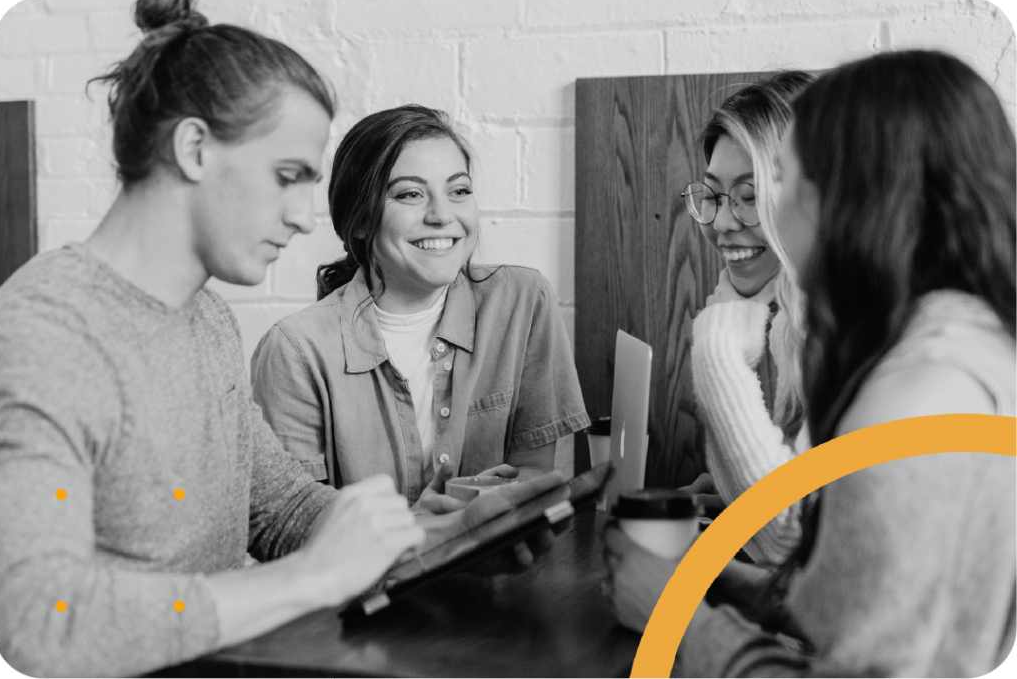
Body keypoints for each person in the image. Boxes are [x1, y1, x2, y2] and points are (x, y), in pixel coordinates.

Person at [0, 0, 564, 678]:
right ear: (195, 148)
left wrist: (444, 543)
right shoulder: (44, 333)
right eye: (287, 176)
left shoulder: (204, 319)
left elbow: (283, 508)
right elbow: (37, 620)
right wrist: (309, 579)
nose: (302, 217)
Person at [606, 49, 1017, 678]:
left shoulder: (912, 395)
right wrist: (734, 585)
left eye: (784, 181)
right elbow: (878, 610)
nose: (754, 216)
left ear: (853, 198)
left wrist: (677, 617)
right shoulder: (968, 343)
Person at [251, 104, 590, 511]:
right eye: (410, 194)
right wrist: (420, 529)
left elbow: (535, 475)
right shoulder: (294, 350)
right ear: (359, 220)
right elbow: (293, 525)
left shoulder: (522, 301)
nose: (442, 215)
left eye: (459, 191)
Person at [682, 71, 813, 565]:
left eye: (750, 195)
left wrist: (716, 351)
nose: (721, 222)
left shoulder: (849, 325)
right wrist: (734, 487)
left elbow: (788, 536)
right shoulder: (773, 312)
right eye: (713, 195)